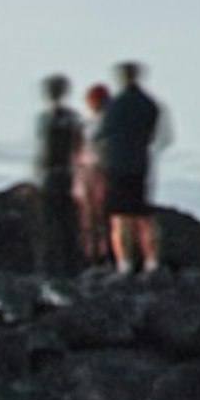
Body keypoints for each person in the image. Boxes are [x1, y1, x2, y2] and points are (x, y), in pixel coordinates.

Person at [95, 60, 170, 275]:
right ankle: (151, 260)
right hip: (140, 161)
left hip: (116, 163)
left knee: (119, 217)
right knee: (143, 214)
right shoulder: (150, 104)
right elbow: (159, 137)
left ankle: (125, 263)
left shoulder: (113, 105)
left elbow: (101, 134)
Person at [31, 75, 83, 277]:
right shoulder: (73, 118)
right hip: (68, 172)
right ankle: (70, 266)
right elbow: (78, 146)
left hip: (52, 173)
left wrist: (37, 173)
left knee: (51, 222)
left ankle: (52, 267)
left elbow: (43, 149)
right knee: (68, 222)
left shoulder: (46, 118)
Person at [77, 81, 114, 266]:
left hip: (98, 170)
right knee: (91, 215)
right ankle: (95, 252)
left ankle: (100, 253)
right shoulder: (88, 124)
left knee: (99, 214)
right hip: (90, 170)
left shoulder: (101, 124)